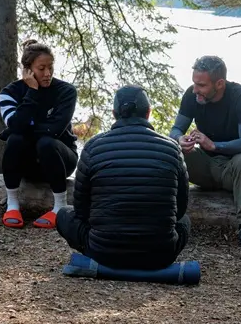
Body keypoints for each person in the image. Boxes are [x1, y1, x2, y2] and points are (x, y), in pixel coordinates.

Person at [56, 85, 191, 270]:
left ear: (114, 113)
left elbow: (80, 209)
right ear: (148, 113)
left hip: (103, 252)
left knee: (63, 214)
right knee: (185, 222)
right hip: (160, 254)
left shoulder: (93, 147)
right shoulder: (172, 149)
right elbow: (181, 209)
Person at [170, 55, 241, 248]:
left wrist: (214, 145)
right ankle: (169, 218)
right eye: (194, 83)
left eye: (201, 85)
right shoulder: (191, 96)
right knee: (172, 152)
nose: (195, 90)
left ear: (219, 83)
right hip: (204, 167)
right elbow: (175, 130)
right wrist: (180, 140)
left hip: (232, 168)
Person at [0, 39, 79, 229]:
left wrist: (23, 127)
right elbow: (16, 126)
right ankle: (12, 205)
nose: (47, 73)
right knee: (15, 140)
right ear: (27, 70)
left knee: (45, 142)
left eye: (50, 67)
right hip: (27, 164)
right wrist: (32, 92)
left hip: (61, 159)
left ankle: (60, 206)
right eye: (41, 68)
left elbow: (55, 130)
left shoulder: (66, 91)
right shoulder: (9, 92)